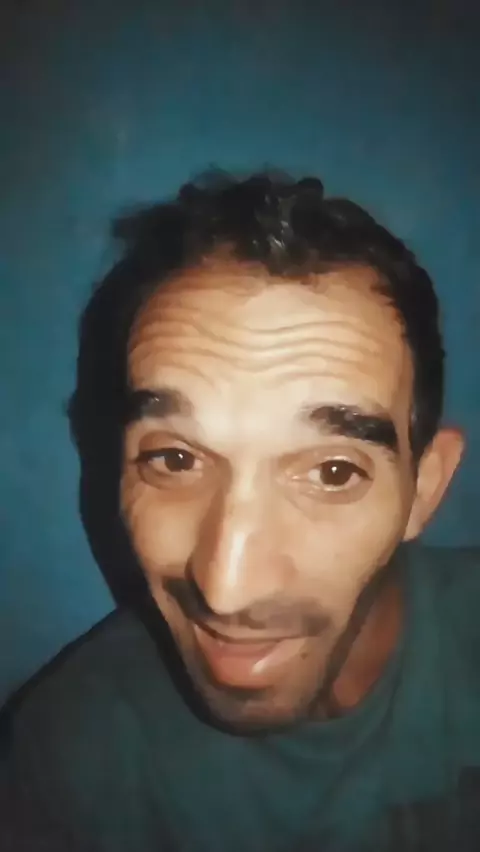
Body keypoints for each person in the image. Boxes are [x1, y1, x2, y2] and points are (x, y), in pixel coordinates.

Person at [1, 170, 478, 852]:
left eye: (333, 472)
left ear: (424, 488)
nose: (227, 588)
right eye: (174, 459)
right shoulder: (68, 756)